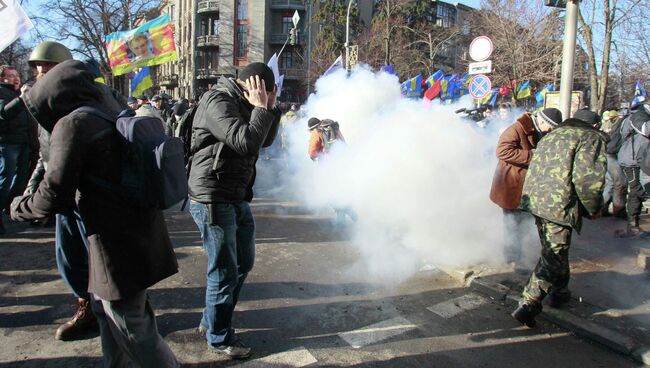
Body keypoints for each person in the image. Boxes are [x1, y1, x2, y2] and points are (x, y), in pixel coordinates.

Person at [11, 60, 179, 367]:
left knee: (132, 326)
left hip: (112, 241)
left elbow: (54, 195)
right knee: (107, 313)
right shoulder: (110, 108)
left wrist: (18, 207)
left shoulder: (72, 125)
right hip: (137, 229)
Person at [188, 63, 280, 359]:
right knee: (225, 270)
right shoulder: (218, 101)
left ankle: (211, 319)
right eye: (266, 93)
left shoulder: (246, 103)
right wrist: (260, 108)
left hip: (235, 194)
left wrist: (271, 110)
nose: (266, 98)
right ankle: (219, 337)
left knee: (244, 262)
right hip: (212, 196)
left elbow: (263, 140)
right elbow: (245, 141)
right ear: (252, 88)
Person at [513, 109, 607, 328]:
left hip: (536, 200)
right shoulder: (590, 138)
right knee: (554, 255)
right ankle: (529, 303)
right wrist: (594, 208)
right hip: (559, 205)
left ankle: (560, 292)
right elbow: (588, 180)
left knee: (555, 250)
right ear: (595, 126)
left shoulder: (553, 134)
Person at [489, 108, 562, 269]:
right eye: (550, 127)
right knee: (513, 223)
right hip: (511, 184)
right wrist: (533, 155)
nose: (550, 131)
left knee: (522, 222)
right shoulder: (516, 129)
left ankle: (516, 254)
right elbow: (502, 151)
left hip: (525, 185)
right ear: (542, 121)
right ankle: (515, 259)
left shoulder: (537, 130)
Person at [0, 65, 37, 234]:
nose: (15, 78)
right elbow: (4, 112)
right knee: (5, 178)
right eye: (10, 76)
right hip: (8, 143)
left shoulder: (17, 94)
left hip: (24, 142)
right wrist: (22, 99)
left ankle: (10, 208)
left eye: (16, 75)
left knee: (22, 178)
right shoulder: (2, 93)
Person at [616, 102, 650, 237]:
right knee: (636, 190)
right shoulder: (638, 116)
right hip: (632, 160)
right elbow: (645, 129)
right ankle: (632, 226)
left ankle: (633, 224)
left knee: (640, 191)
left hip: (642, 159)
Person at [600, 109, 627, 218]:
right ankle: (618, 209)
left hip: (608, 154)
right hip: (612, 155)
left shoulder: (615, 124)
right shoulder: (621, 125)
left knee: (610, 183)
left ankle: (602, 208)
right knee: (620, 182)